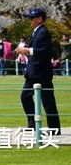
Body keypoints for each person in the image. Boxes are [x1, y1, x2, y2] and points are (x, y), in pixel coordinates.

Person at [15, 7, 61, 135]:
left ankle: (51, 128)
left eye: (32, 18)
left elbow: (45, 51)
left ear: (40, 19)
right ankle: (36, 125)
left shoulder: (43, 32)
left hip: (41, 72)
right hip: (35, 72)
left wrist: (28, 50)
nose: (30, 20)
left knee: (46, 101)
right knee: (30, 98)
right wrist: (25, 49)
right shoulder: (37, 32)